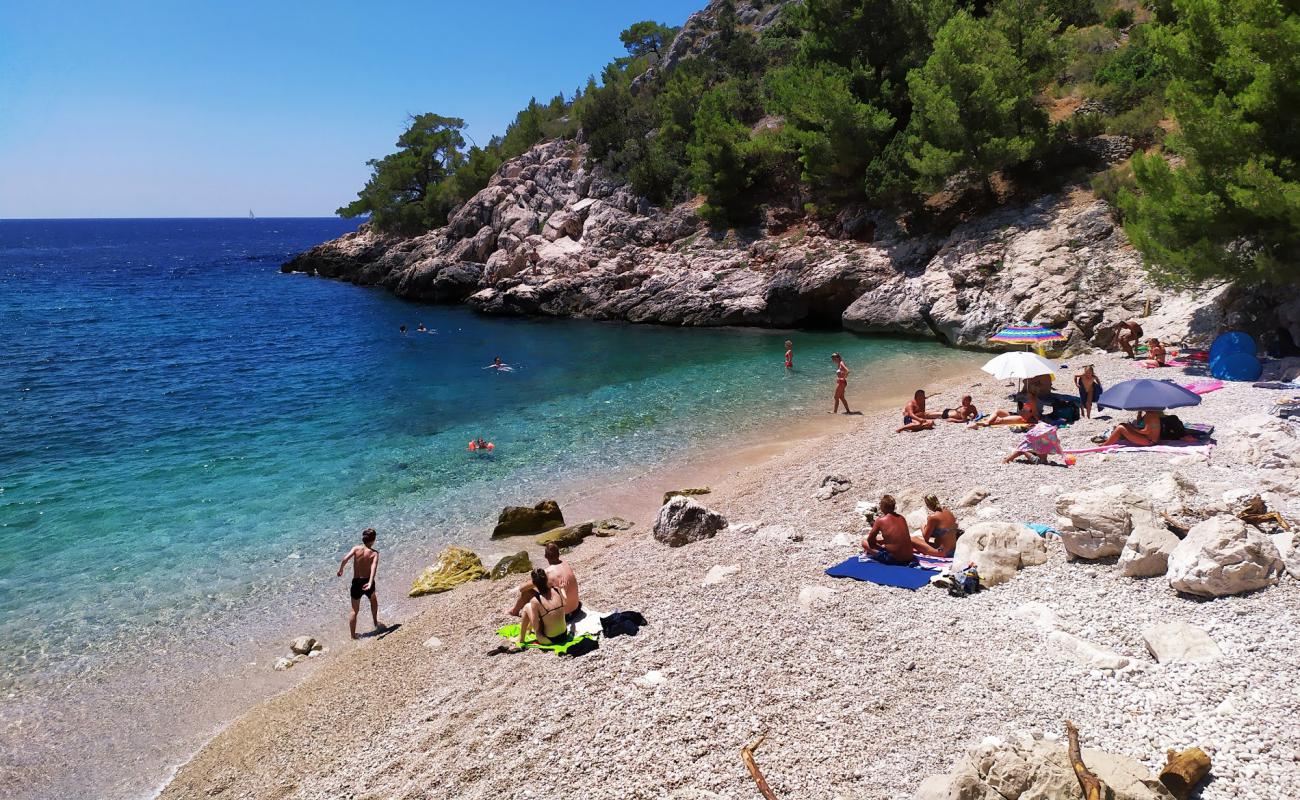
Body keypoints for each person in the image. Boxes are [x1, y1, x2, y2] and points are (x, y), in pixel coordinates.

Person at [505, 543, 580, 619]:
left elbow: (522, 588)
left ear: (545, 556)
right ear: (558, 554)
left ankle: (514, 611)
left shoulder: (547, 573)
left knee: (527, 592)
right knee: (545, 588)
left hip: (562, 616)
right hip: (576, 609)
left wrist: (533, 582)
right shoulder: (565, 563)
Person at [337, 528, 381, 640]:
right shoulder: (374, 553)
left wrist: (341, 569)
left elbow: (345, 559)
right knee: (373, 600)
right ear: (373, 540)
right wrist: (370, 582)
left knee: (354, 610)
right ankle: (376, 622)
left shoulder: (356, 548)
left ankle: (353, 636)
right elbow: (373, 569)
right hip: (367, 581)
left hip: (356, 582)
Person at [517, 568, 569, 646]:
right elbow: (565, 602)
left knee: (527, 607)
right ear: (546, 579)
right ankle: (528, 630)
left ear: (534, 583)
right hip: (564, 635)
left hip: (549, 640)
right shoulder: (557, 590)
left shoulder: (535, 601)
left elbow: (536, 626)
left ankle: (521, 639)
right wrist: (563, 589)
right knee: (544, 615)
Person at [861, 494, 916, 565]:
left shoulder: (880, 520)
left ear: (883, 507)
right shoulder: (901, 517)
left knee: (864, 542)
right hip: (909, 556)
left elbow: (870, 541)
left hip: (895, 559)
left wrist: (880, 544)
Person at [972, 394, 1040, 428]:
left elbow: (1034, 418)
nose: (1027, 395)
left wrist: (1024, 414)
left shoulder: (1033, 404)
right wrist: (1021, 409)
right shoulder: (1028, 403)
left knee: (1000, 420)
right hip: (1019, 416)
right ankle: (987, 421)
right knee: (998, 411)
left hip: (1022, 419)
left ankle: (983, 423)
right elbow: (1022, 411)